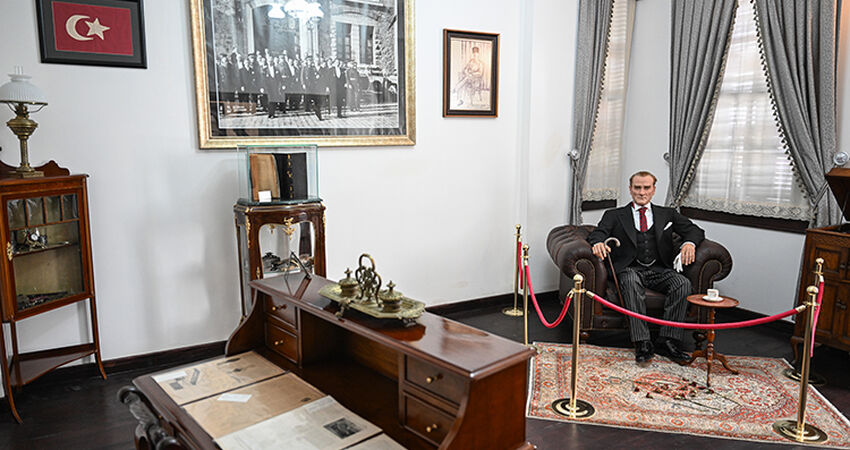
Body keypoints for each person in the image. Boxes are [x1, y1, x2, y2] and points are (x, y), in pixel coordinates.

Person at [586, 171, 705, 365]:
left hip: (659, 269)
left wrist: (689, 243)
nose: (642, 192)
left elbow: (694, 230)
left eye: (646, 188)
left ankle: (668, 340)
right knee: (631, 282)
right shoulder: (614, 215)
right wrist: (598, 243)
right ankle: (642, 342)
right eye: (637, 188)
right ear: (630, 189)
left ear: (654, 190)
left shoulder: (668, 214)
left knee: (682, 284)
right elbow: (598, 233)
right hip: (629, 269)